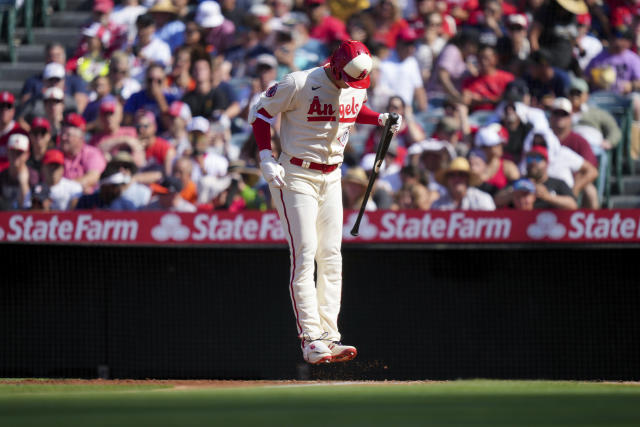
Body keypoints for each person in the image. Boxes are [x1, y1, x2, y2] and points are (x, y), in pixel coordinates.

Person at [249, 40, 401, 364]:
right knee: (304, 252)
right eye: (349, 77)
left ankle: (330, 336)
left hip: (333, 175)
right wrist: (265, 156)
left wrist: (380, 119)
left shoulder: (354, 83)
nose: (354, 84)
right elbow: (260, 112)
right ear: (335, 67)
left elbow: (351, 109)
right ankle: (310, 339)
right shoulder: (299, 82)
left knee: (331, 255)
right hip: (296, 173)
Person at [495, 145, 578, 209]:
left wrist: (548, 197)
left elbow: (573, 205)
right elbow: (497, 200)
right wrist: (515, 194)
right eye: (529, 158)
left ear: (546, 163)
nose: (533, 162)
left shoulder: (558, 183)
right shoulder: (518, 182)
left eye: (538, 158)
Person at [59, 113, 107, 194]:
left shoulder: (92, 153)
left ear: (80, 137)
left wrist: (64, 187)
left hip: (85, 202)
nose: (63, 138)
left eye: (68, 135)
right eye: (62, 134)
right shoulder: (56, 153)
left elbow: (92, 178)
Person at [431, 156, 496, 210]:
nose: (457, 179)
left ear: (468, 178)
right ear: (447, 179)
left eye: (461, 174)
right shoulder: (437, 205)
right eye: (452, 175)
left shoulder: (483, 199)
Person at [0, 134, 39, 210]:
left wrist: (23, 183)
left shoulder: (33, 176)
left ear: (27, 155)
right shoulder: (2, 176)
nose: (15, 156)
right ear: (7, 152)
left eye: (19, 153)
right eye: (12, 151)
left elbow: (28, 207)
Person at [0, 91, 28, 172]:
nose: (4, 110)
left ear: (13, 110)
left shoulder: (20, 132)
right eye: (1, 106)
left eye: (8, 106)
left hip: (11, 177)